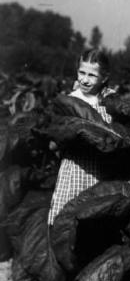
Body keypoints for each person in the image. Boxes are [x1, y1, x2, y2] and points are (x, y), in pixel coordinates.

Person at [48, 49, 114, 225]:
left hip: (100, 172)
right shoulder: (69, 101)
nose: (85, 79)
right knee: (65, 221)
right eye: (81, 72)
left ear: (104, 77)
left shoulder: (111, 103)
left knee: (93, 220)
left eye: (92, 75)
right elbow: (53, 144)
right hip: (73, 169)